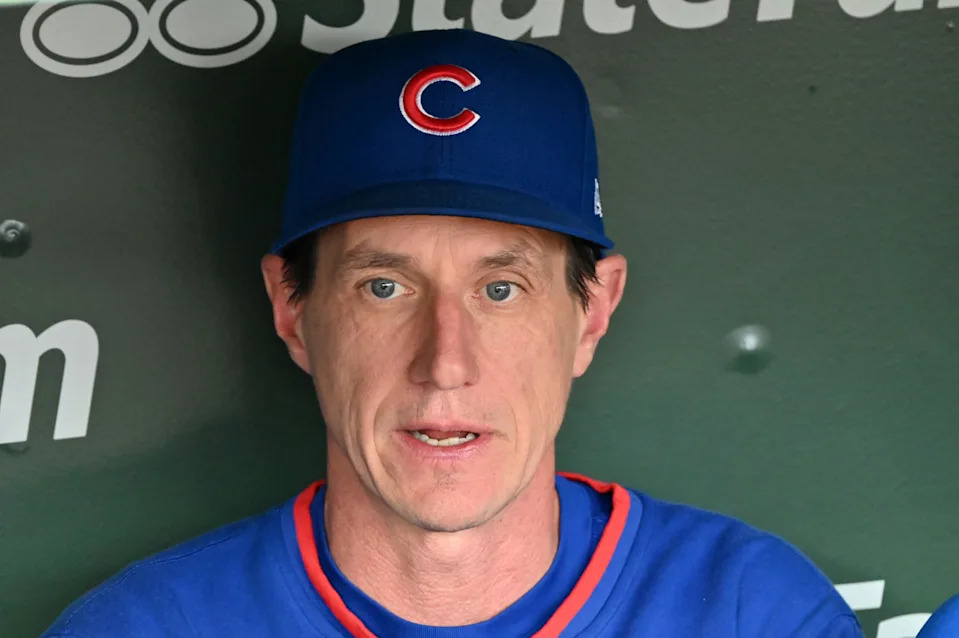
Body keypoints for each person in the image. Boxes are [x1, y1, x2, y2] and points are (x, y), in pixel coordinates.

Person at [42, 29, 863, 637]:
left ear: (593, 311)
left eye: (500, 289)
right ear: (292, 309)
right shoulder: (145, 627)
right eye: (384, 287)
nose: (445, 363)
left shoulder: (751, 610)